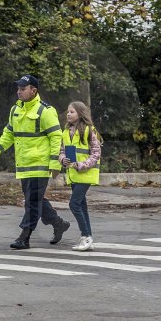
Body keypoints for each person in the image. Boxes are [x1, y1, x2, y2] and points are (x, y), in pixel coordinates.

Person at [0, 75, 70, 249]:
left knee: (31, 202)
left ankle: (24, 237)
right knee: (35, 200)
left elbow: (56, 138)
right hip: (23, 167)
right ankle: (58, 223)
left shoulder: (45, 111)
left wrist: (55, 164)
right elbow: (8, 134)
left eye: (23, 89)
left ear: (34, 90)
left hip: (40, 166)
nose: (19, 92)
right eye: (18, 89)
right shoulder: (15, 110)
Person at [59, 101, 101, 251]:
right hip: (73, 175)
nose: (68, 114)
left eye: (72, 112)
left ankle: (86, 236)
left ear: (80, 114)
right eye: (68, 111)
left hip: (85, 174)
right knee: (81, 205)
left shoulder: (89, 130)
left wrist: (82, 165)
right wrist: (62, 159)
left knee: (74, 204)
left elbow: (96, 154)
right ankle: (87, 237)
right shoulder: (66, 132)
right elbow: (62, 151)